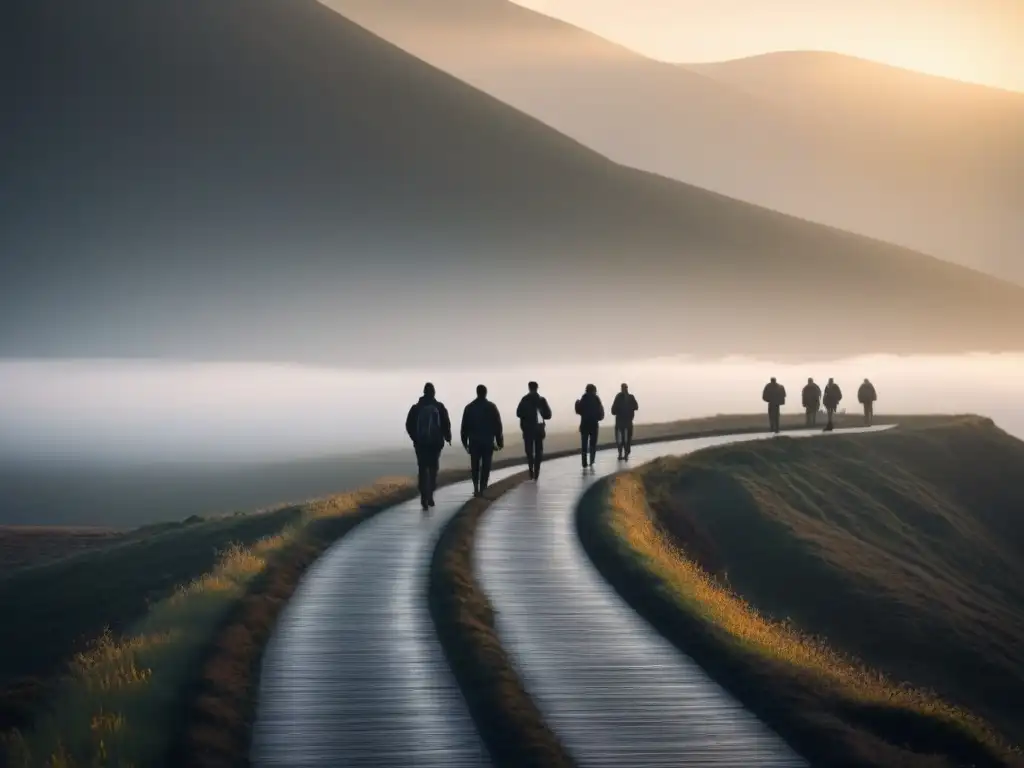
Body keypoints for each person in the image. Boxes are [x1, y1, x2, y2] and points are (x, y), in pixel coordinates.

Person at [405, 382, 452, 511]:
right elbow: (446, 424)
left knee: (422, 468)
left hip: (421, 444)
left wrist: (415, 438)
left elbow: (409, 425)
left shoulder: (416, 408)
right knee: (433, 469)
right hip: (435, 444)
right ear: (434, 393)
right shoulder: (439, 407)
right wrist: (448, 437)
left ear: (424, 392)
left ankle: (423, 497)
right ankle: (430, 494)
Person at [460, 384, 504, 497]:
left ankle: (476, 488)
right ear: (485, 393)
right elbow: (498, 426)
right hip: (487, 441)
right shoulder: (492, 407)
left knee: (475, 466)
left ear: (477, 392)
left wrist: (465, 444)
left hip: (474, 441)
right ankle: (483, 488)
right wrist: (499, 442)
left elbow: (464, 428)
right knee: (486, 466)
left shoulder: (469, 407)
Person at [516, 381, 552, 480]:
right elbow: (548, 415)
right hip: (539, 429)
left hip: (527, 429)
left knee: (529, 451)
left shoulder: (524, 399)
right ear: (537, 388)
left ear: (529, 388)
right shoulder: (541, 400)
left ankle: (530, 468)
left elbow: (518, 413)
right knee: (538, 451)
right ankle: (537, 471)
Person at [575, 384, 605, 469]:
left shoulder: (583, 398)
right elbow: (600, 412)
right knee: (593, 444)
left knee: (584, 444)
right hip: (594, 424)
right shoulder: (596, 399)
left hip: (584, 424)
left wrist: (577, 403)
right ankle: (592, 460)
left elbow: (579, 410)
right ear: (594, 390)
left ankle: (584, 462)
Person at [610, 383, 639, 460]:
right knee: (627, 438)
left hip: (620, 422)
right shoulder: (630, 397)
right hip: (627, 421)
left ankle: (621, 453)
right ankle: (625, 453)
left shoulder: (619, 397)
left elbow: (613, 410)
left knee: (620, 439)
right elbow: (636, 407)